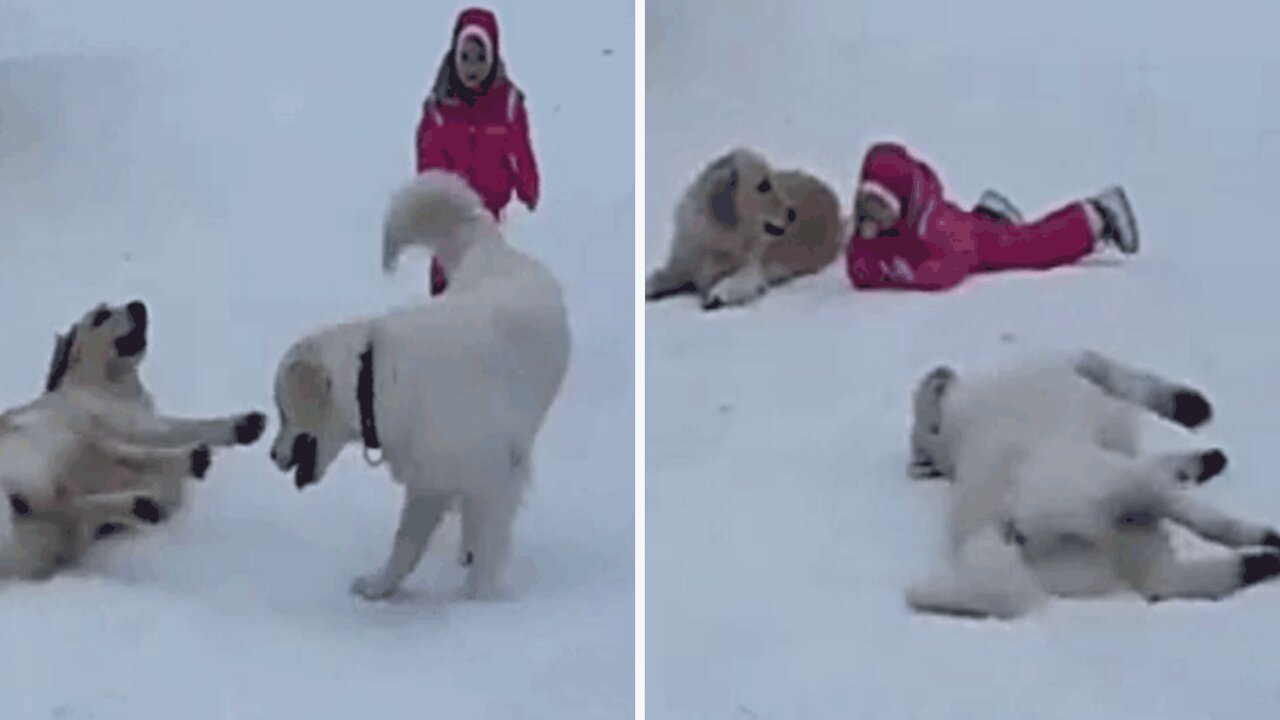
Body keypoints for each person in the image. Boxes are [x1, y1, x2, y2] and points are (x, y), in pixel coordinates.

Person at [846, 142, 1138, 292]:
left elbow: (948, 270)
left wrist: (901, 271)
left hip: (974, 243)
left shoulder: (935, 229)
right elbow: (858, 268)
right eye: (866, 207)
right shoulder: (877, 227)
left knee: (1032, 247)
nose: (872, 220)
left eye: (880, 209)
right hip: (963, 227)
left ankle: (1097, 216)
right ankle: (992, 216)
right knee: (997, 234)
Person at [414, 7, 541, 295]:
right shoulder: (440, 108)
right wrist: (432, 193)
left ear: (494, 57)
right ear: (453, 57)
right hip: (450, 210)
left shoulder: (507, 104)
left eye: (480, 58)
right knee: (447, 266)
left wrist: (528, 186)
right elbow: (427, 158)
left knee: (483, 268)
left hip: (489, 208)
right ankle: (442, 307)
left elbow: (521, 149)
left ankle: (481, 315)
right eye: (465, 58)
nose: (472, 67)